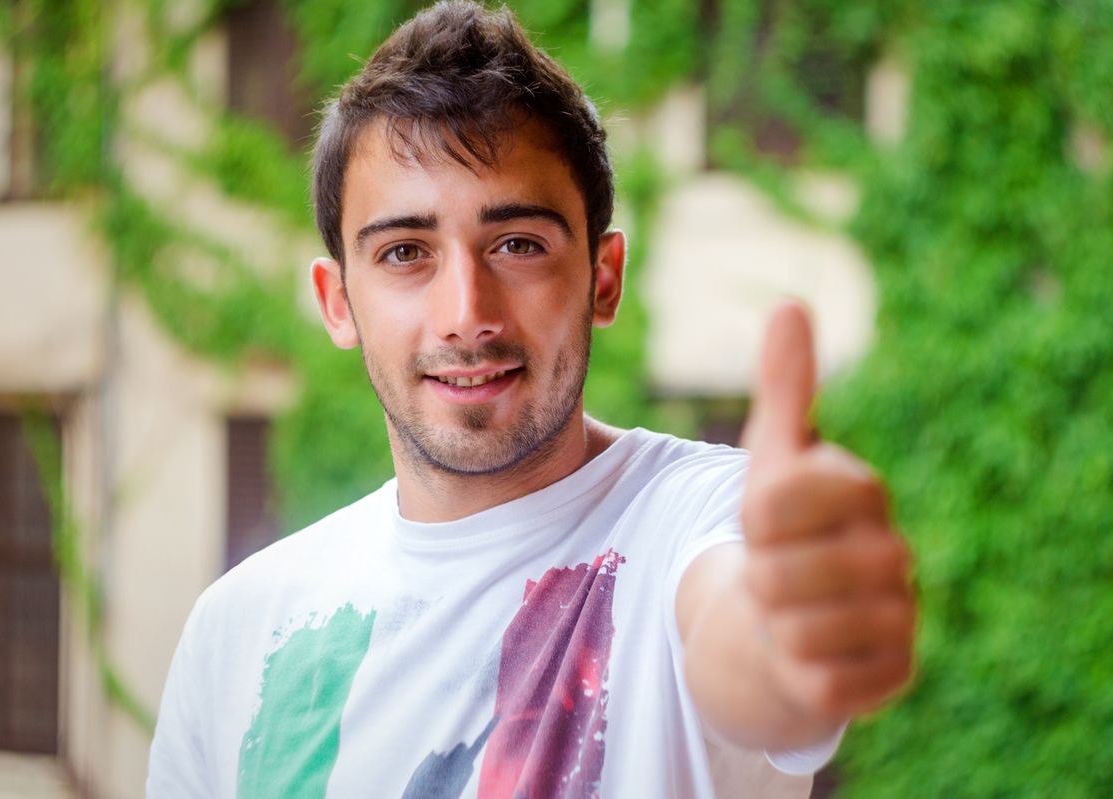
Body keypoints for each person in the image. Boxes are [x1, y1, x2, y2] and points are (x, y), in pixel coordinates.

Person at [146, 2, 915, 796]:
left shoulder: (700, 515)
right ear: (338, 301)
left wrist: (786, 632)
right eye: (405, 252)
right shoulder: (236, 630)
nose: (466, 313)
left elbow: (747, 645)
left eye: (518, 244)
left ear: (603, 278)